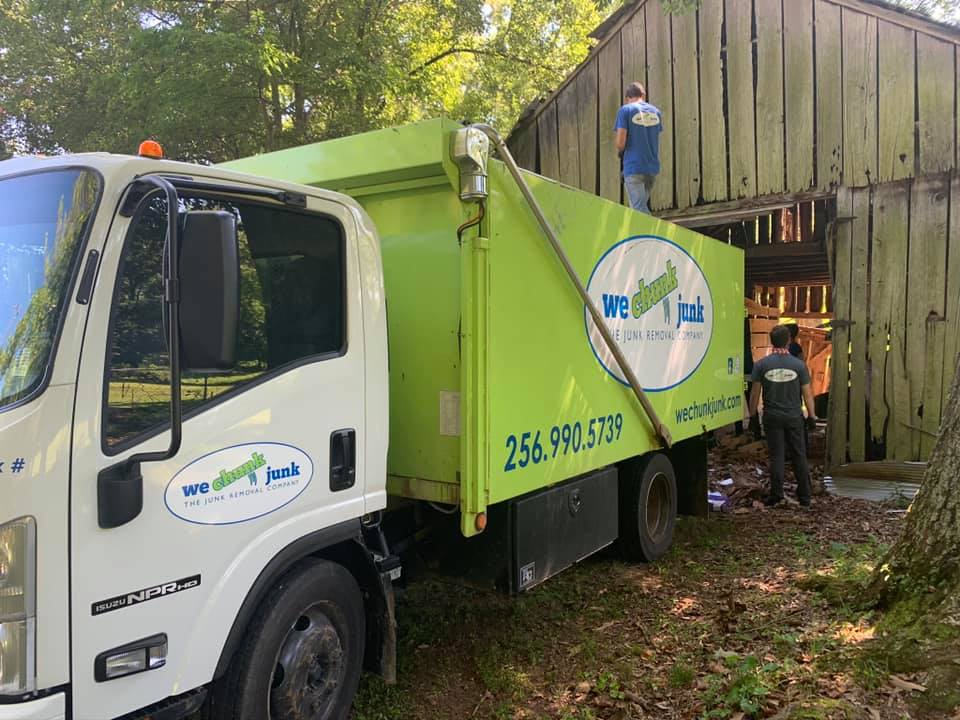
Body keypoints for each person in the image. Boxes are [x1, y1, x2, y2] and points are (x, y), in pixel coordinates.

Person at [747, 325, 818, 507]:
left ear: (772, 341)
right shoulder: (799, 365)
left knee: (776, 456)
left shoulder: (761, 365)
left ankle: (776, 494)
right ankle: (805, 496)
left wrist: (752, 415)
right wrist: (812, 416)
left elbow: (754, 394)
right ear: (788, 341)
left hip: (772, 417)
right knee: (798, 455)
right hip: (794, 417)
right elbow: (807, 394)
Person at [614, 82, 662, 215]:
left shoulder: (625, 110)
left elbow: (620, 143)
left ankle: (655, 234)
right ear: (643, 95)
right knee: (640, 207)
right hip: (651, 168)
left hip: (634, 167)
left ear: (627, 98)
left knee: (639, 212)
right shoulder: (656, 112)